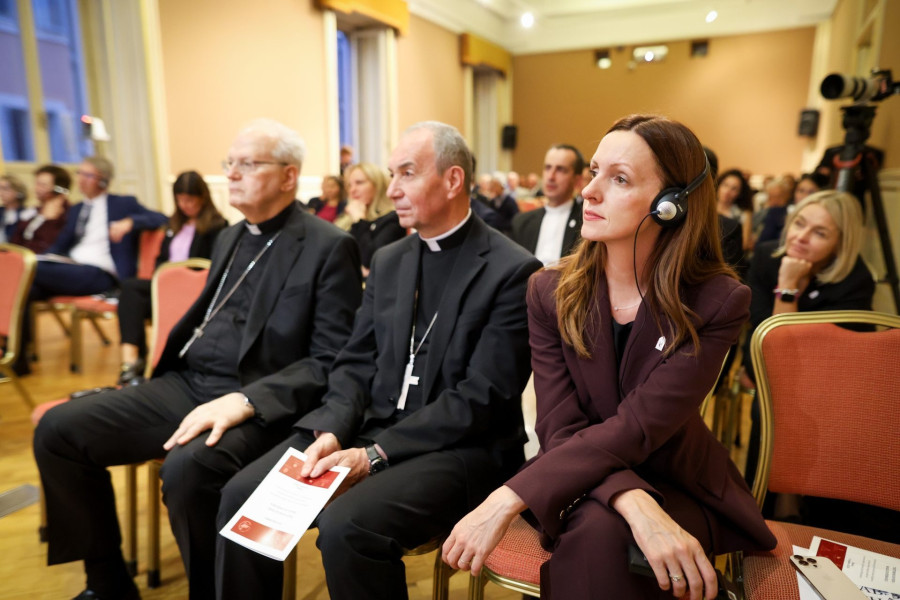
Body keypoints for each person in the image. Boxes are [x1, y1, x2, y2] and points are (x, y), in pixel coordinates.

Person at [442, 114, 775, 600]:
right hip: (573, 470)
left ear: (671, 206)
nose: (589, 191)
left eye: (619, 179)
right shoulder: (549, 291)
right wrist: (634, 501)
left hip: (675, 479)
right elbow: (558, 425)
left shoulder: (717, 301)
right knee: (601, 533)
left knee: (598, 537)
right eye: (594, 171)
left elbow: (638, 427)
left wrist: (507, 497)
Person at [33, 118, 363, 600]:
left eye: (248, 164)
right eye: (230, 163)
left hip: (258, 401)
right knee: (59, 430)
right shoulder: (229, 237)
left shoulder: (329, 246)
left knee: (188, 471)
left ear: (289, 176)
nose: (232, 174)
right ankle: (106, 584)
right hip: (188, 384)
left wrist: (246, 401)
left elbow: (330, 359)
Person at [214, 121, 542, 599]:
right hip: (370, 429)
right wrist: (332, 428)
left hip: (462, 450)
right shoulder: (390, 260)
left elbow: (482, 398)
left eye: (407, 173)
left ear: (453, 179)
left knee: (349, 527)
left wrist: (374, 455)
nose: (393, 190)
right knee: (242, 496)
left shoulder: (512, 269)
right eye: (392, 175)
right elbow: (354, 362)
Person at [741, 190, 874, 493]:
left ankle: (806, 502)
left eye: (820, 233)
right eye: (799, 223)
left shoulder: (855, 281)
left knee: (787, 410)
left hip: (830, 390)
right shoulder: (766, 258)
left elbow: (834, 366)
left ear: (840, 243)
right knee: (771, 406)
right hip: (772, 380)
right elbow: (768, 352)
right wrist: (787, 284)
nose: (800, 237)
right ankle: (763, 501)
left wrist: (787, 290)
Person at [116, 170, 228, 385]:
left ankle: (136, 362)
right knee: (131, 296)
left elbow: (212, 266)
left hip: (193, 291)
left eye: (190, 200)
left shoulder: (217, 226)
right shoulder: (173, 225)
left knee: (131, 287)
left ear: (202, 198)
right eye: (180, 200)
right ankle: (130, 361)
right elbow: (161, 260)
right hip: (165, 288)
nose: (185, 205)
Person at [511, 144, 585, 266]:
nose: (551, 177)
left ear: (577, 180)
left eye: (560, 169)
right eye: (547, 168)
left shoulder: (585, 223)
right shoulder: (521, 222)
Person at [336, 162, 406, 276]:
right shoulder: (346, 217)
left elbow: (371, 260)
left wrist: (359, 220)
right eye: (349, 185)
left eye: (359, 183)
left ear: (377, 185)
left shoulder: (392, 219)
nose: (352, 190)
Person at [11, 165, 71, 254]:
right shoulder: (35, 210)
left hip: (41, 258)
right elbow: (16, 238)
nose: (37, 189)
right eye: (37, 184)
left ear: (58, 189)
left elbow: (47, 244)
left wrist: (49, 221)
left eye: (43, 185)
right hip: (21, 255)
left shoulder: (66, 213)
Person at [715, 168, 753, 252]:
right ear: (719, 185)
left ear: (740, 193)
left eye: (734, 189)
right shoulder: (707, 207)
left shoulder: (743, 214)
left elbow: (744, 244)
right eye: (725, 185)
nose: (727, 191)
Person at [0, 173, 35, 242]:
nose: (1, 193)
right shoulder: (1, 211)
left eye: (5, 189)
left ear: (18, 192)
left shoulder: (27, 214)